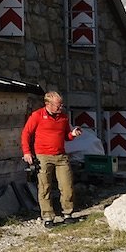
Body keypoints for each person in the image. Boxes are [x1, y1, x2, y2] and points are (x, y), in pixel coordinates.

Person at [22, 92, 82, 227]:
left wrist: (73, 134)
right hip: (43, 156)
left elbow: (66, 135)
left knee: (67, 186)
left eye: (61, 104)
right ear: (47, 104)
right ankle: (48, 217)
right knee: (45, 187)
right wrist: (27, 152)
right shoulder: (37, 116)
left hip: (61, 156)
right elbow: (26, 133)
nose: (60, 107)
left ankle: (68, 213)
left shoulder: (63, 117)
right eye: (57, 105)